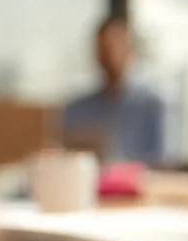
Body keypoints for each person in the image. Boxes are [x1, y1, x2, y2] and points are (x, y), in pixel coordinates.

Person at [62, 16, 169, 164]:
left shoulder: (152, 105)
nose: (111, 55)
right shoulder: (75, 109)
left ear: (131, 50)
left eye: (117, 46)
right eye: (104, 48)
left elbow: (164, 160)